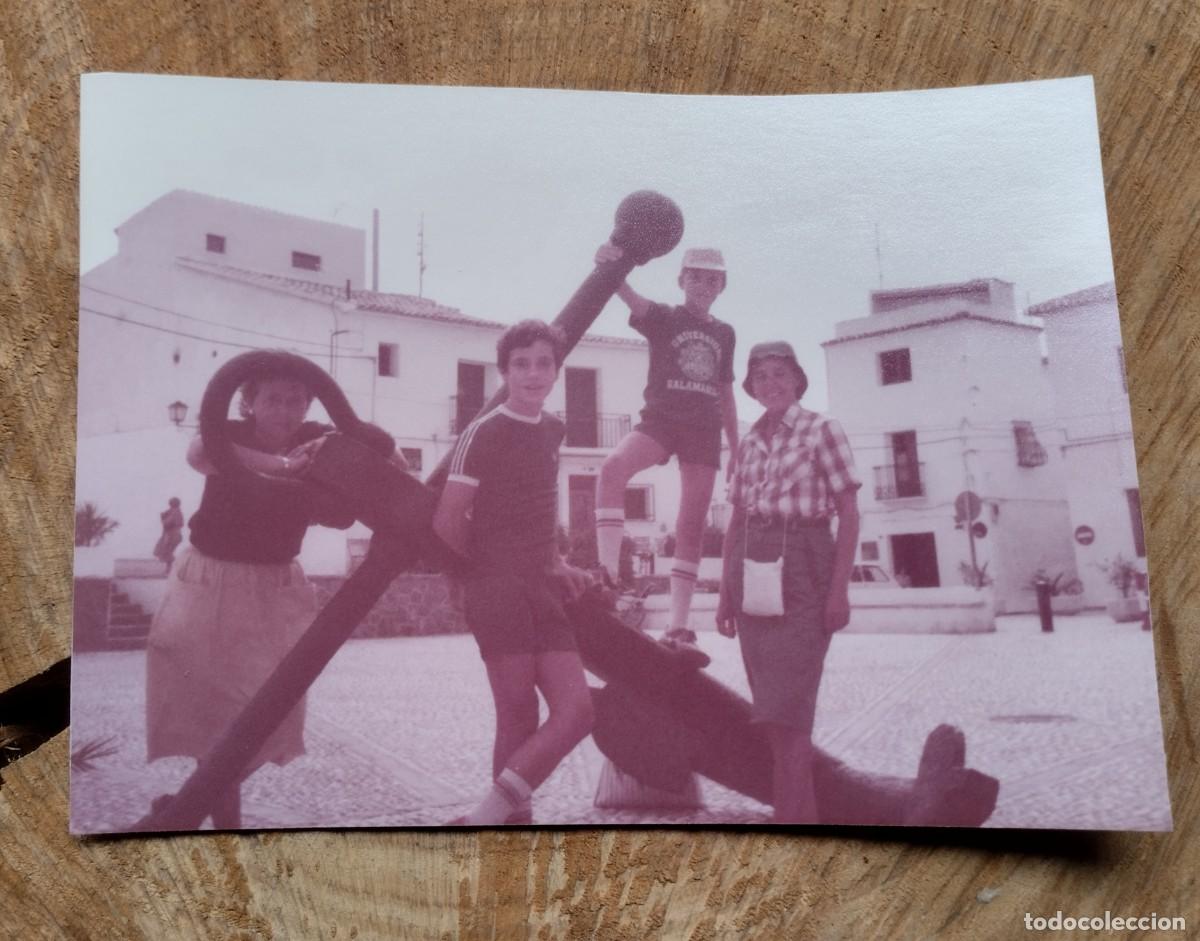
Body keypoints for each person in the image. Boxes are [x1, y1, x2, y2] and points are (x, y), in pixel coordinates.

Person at [145, 365, 385, 829]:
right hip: (211, 582)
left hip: (274, 589)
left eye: (296, 399)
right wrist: (285, 467)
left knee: (272, 714)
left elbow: (370, 458)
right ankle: (219, 827)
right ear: (249, 402)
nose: (285, 409)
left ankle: (188, 803)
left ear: (309, 405)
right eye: (273, 398)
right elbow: (200, 453)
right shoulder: (230, 431)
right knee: (216, 720)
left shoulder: (318, 436)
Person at [434, 320, 594, 826]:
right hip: (496, 588)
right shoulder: (482, 432)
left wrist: (554, 561)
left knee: (578, 712)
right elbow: (446, 522)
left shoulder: (553, 430)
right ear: (504, 372)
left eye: (543, 363)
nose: (532, 373)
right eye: (521, 364)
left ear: (556, 370)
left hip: (540, 588)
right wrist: (477, 575)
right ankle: (513, 827)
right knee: (517, 715)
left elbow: (539, 509)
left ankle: (486, 815)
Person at [716, 342, 861, 824]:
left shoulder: (823, 430)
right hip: (749, 573)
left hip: (805, 569)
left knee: (790, 712)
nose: (771, 383)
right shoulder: (748, 443)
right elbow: (735, 520)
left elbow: (849, 514)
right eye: (761, 377)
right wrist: (724, 593)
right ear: (752, 388)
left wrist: (838, 591)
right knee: (774, 718)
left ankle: (792, 824)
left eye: (780, 374)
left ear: (797, 380)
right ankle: (802, 815)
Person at [592, 243, 738, 653]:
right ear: (681, 280)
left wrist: (736, 449)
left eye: (713, 279)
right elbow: (627, 294)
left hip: (704, 430)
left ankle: (678, 626)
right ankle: (606, 578)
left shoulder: (725, 333)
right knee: (613, 468)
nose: (704, 284)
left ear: (722, 286)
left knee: (690, 524)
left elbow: (725, 392)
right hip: (661, 421)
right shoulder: (665, 318)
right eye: (696, 276)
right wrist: (611, 264)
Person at [153, 497, 184, 567]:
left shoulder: (175, 512)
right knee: (166, 551)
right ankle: (171, 568)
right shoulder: (175, 512)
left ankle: (175, 567)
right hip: (173, 535)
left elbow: (167, 523)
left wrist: (162, 519)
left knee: (166, 551)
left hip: (172, 535)